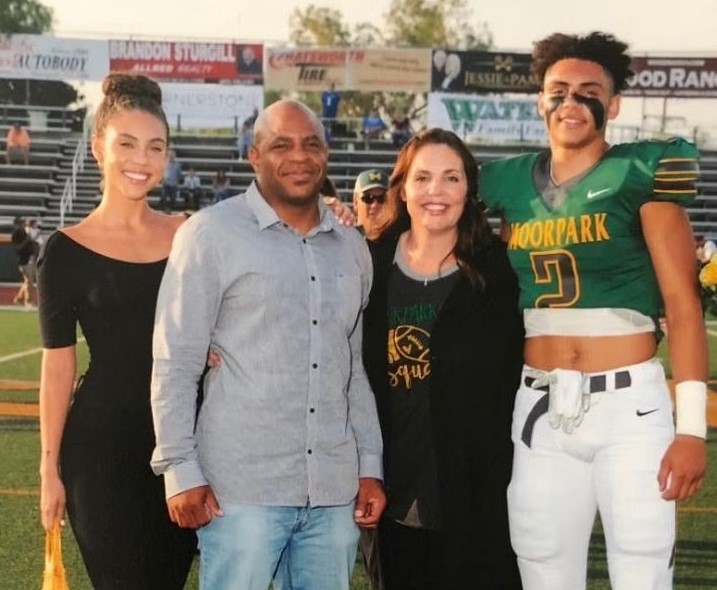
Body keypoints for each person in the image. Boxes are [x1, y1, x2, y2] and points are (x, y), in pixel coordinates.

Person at [478, 32, 708, 590]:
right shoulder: (505, 183)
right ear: (540, 101)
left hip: (629, 406)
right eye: (558, 91)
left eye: (589, 91)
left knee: (641, 568)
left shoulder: (640, 172)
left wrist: (693, 428)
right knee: (542, 568)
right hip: (539, 403)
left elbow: (682, 306)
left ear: (615, 103)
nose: (571, 103)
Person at [150, 99, 386, 590]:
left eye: (310, 144)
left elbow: (352, 368)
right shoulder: (210, 234)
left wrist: (369, 465)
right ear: (254, 155)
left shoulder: (353, 247)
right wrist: (179, 467)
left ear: (326, 153)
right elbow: (176, 360)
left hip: (332, 490)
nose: (298, 156)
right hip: (241, 491)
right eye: (281, 144)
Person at [37, 73, 197, 590]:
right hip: (98, 453)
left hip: (182, 449)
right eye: (126, 143)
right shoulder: (64, 250)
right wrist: (47, 469)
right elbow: (58, 365)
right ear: (97, 149)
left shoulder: (191, 235)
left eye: (155, 147)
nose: (141, 159)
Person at [362, 128, 524, 589]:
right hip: (390, 485)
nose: (436, 191)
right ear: (403, 188)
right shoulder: (368, 264)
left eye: (451, 178)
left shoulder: (498, 270)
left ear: (469, 190)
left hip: (477, 494)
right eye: (423, 177)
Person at [353, 169, 391, 241]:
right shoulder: (345, 242)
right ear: (355, 202)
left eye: (381, 198)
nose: (375, 205)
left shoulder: (399, 244)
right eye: (368, 198)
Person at [10, 216, 38, 308]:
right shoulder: (16, 234)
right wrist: (27, 241)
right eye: (22, 223)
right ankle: (28, 301)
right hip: (23, 261)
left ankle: (18, 299)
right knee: (29, 281)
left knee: (28, 281)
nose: (23, 225)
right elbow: (17, 248)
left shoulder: (25, 233)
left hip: (29, 259)